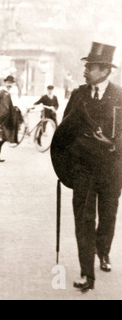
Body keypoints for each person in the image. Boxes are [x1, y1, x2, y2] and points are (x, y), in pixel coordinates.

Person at [51, 42, 122, 292]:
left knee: (108, 217)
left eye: (90, 67)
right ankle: (86, 274)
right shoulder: (78, 95)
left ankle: (103, 252)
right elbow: (63, 132)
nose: (85, 71)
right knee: (83, 220)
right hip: (83, 171)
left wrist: (113, 144)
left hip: (112, 171)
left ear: (104, 70)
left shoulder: (120, 96)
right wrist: (64, 167)